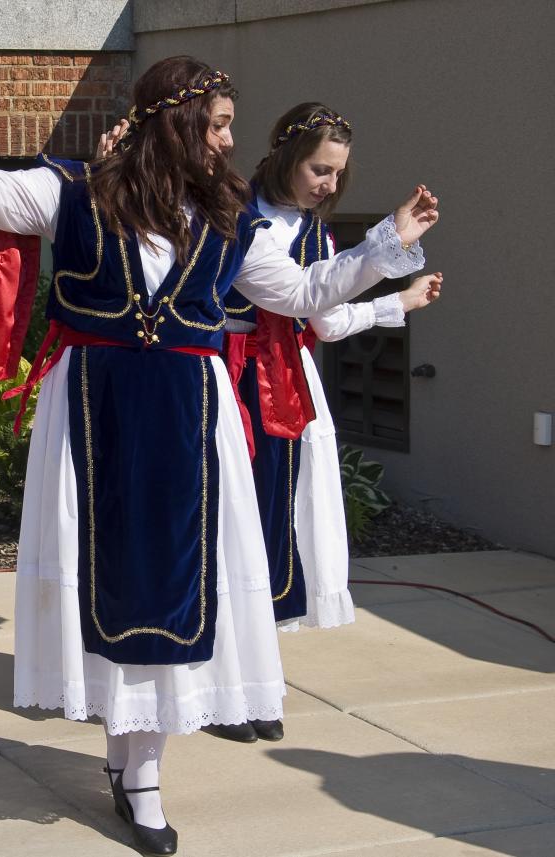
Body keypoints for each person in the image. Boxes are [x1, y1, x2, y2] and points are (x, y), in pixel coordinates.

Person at [0, 24, 437, 855]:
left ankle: (142, 770)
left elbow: (304, 292)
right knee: (104, 575)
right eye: (220, 121)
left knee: (174, 584)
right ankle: (125, 757)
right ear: (178, 121)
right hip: (93, 409)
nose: (232, 139)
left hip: (190, 417)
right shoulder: (73, 192)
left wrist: (387, 245)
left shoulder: (229, 220)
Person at [209, 103, 443, 744]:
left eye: (338, 174)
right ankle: (221, 685)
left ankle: (254, 683)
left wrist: (397, 299)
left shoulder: (315, 235)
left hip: (284, 386)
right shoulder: (237, 214)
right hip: (229, 381)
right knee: (232, 527)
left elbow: (325, 319)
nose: (330, 185)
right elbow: (300, 296)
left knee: (278, 529)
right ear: (286, 156)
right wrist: (386, 245)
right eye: (320, 169)